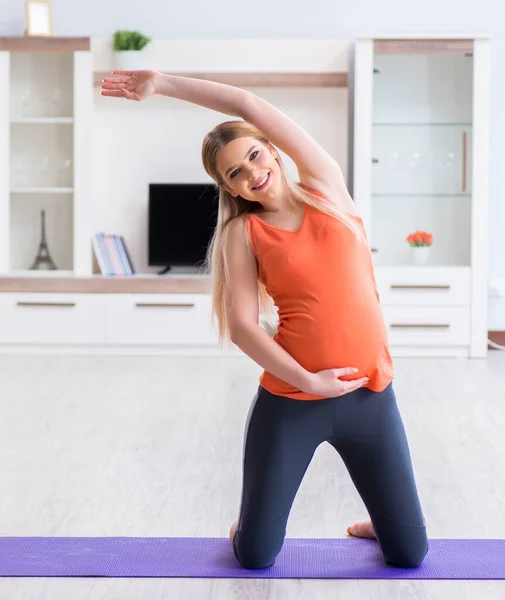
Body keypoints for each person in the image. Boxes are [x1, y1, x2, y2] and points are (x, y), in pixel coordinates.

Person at [100, 70, 429, 570]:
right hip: (292, 402)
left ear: (272, 149)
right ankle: (247, 526)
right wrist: (309, 381)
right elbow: (243, 327)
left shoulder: (326, 187)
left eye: (254, 155)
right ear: (228, 187)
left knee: (409, 555)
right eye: (234, 173)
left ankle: (381, 522)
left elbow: (249, 104)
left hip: (371, 396)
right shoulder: (243, 233)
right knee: (254, 556)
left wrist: (163, 83)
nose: (251, 173)